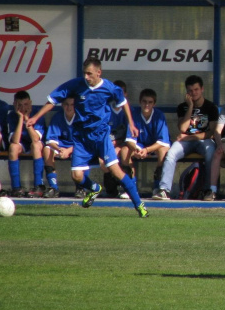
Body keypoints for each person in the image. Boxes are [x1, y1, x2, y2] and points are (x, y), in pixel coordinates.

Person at [26, 57, 148, 218]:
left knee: (116, 171)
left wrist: (131, 124)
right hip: (82, 138)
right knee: (76, 176)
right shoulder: (76, 85)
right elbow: (53, 100)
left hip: (101, 137)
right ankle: (95, 188)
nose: (86, 77)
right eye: (84, 73)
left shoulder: (109, 88)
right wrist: (36, 117)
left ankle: (139, 205)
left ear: (99, 73)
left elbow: (123, 102)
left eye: (89, 74)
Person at [152, 75, 218, 201]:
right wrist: (191, 107)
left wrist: (190, 138)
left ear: (202, 89)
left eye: (196, 89)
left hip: (203, 140)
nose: (193, 93)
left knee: (211, 153)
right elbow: (183, 128)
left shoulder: (211, 107)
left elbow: (210, 133)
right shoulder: (183, 107)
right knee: (171, 154)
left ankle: (208, 190)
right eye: (190, 91)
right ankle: (164, 190)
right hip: (185, 141)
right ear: (187, 92)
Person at [6, 91, 46, 198]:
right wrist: (20, 119)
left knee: (35, 145)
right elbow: (15, 140)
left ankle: (38, 186)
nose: (23, 108)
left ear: (31, 103)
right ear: (14, 104)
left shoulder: (37, 114)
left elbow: (35, 138)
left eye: (26, 104)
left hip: (35, 143)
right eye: (20, 105)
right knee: (13, 147)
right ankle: (16, 187)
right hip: (21, 143)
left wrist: (27, 119)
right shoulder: (12, 115)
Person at [102, 80, 137, 199]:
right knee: (102, 159)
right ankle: (111, 189)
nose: (118, 96)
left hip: (124, 144)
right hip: (108, 144)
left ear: (125, 94)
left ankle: (130, 187)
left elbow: (130, 136)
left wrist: (118, 144)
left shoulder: (129, 111)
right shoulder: (105, 109)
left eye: (121, 93)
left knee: (125, 153)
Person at [130, 88, 171, 192]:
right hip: (140, 146)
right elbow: (129, 139)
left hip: (154, 146)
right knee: (125, 151)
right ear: (140, 102)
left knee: (163, 150)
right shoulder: (134, 114)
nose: (146, 105)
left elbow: (162, 141)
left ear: (154, 104)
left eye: (150, 102)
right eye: (144, 101)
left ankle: (158, 185)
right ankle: (130, 186)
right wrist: (137, 150)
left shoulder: (159, 115)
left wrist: (147, 150)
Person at [42, 96, 82, 198]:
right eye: (66, 104)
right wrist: (59, 149)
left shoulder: (81, 118)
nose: (69, 108)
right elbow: (50, 140)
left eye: (72, 105)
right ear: (63, 105)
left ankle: (81, 188)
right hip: (61, 147)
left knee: (81, 152)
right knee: (47, 149)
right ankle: (54, 188)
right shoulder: (58, 117)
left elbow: (83, 141)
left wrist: (68, 150)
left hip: (75, 147)